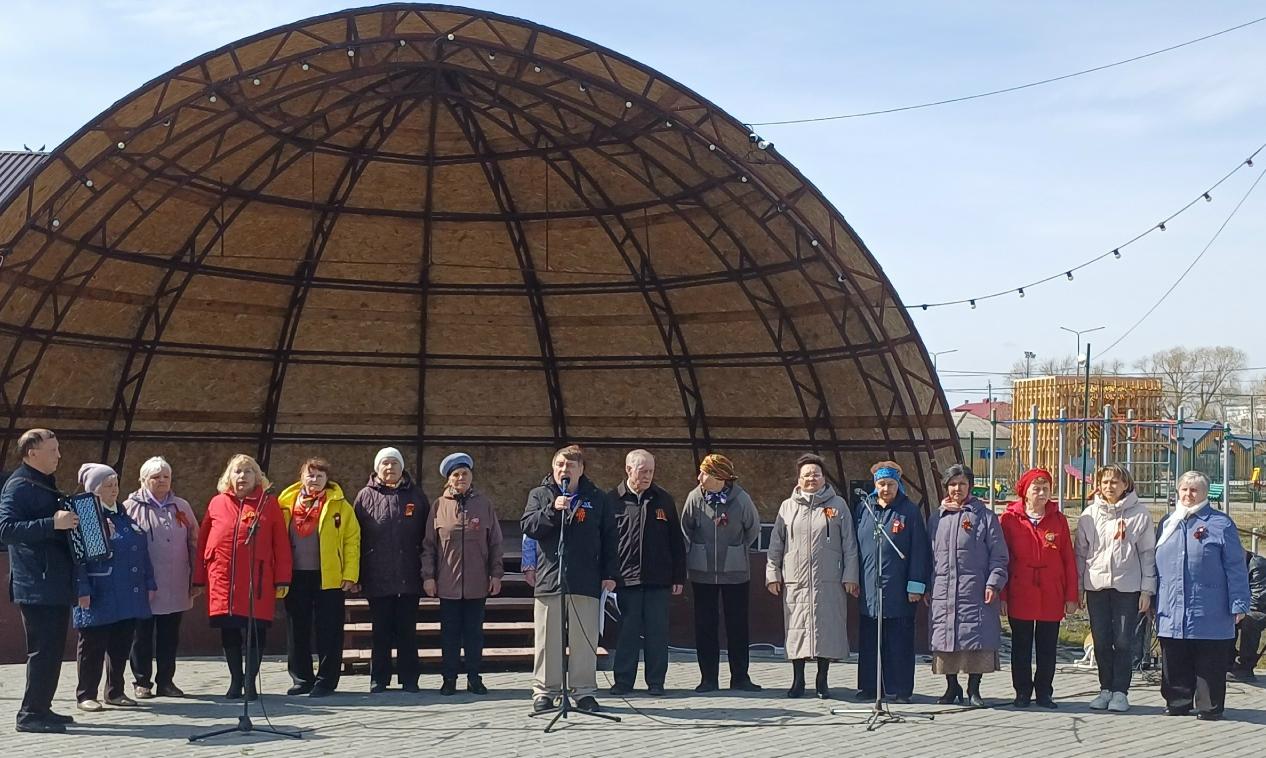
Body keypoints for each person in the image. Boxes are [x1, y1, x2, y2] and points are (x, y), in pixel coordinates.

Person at [521, 445, 618, 714]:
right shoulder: (540, 495)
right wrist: (553, 509)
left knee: (584, 640)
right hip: (550, 577)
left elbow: (610, 537)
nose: (564, 471)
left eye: (570, 466)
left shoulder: (597, 497)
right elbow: (529, 527)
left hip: (586, 578)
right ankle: (545, 691)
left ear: (581, 470)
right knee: (547, 641)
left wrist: (610, 574)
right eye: (560, 466)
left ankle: (584, 691)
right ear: (553, 469)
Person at [195, 454, 292, 701]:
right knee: (229, 631)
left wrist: (282, 578)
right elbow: (203, 541)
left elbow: (280, 543)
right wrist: (198, 577)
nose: (242, 476)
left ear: (257, 478)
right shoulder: (216, 503)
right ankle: (235, 680)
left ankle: (250, 682)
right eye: (237, 471)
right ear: (229, 477)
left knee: (255, 630)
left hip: (257, 581)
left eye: (248, 472)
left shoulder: (268, 504)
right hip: (223, 581)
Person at [1154, 471, 1251, 720]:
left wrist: (1239, 603)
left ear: (1205, 494)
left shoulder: (1221, 523)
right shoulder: (1168, 522)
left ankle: (1209, 706)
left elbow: (1235, 567)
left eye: (1194, 490)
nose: (1189, 494)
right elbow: (1154, 565)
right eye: (1185, 489)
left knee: (1210, 658)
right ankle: (1178, 701)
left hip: (1211, 606)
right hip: (1172, 604)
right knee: (1175, 654)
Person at [0, 429, 79, 733]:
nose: (59, 455)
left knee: (53, 649)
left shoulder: (46, 485)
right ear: (32, 453)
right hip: (35, 584)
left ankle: (42, 708)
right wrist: (52, 523)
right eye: (53, 450)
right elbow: (6, 530)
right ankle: (29, 715)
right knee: (42, 650)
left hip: (54, 582)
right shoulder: (18, 486)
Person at [765, 453, 860, 699]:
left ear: (823, 478)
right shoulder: (788, 506)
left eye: (816, 474)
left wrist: (851, 575)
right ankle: (798, 680)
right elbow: (776, 543)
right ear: (799, 479)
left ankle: (822, 680)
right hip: (796, 580)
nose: (811, 478)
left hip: (828, 580)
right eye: (806, 474)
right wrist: (772, 573)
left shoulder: (837, 505)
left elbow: (850, 544)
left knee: (826, 629)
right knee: (797, 630)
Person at [73, 464, 155, 712]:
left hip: (128, 592)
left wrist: (149, 581)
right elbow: (78, 558)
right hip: (100, 591)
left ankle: (115, 691)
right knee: (93, 645)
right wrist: (82, 589)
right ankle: (86, 693)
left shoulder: (122, 514)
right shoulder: (86, 515)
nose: (114, 490)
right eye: (107, 486)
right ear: (93, 490)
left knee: (120, 644)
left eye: (115, 484)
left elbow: (142, 553)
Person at [1075, 463, 1156, 713]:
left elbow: (1147, 554)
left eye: (1115, 482)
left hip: (1128, 587)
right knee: (1101, 641)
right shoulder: (1089, 514)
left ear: (1125, 485)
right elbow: (1080, 552)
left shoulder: (1140, 514)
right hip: (1097, 586)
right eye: (1105, 482)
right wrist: (1078, 586)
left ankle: (1121, 691)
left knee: (1123, 641)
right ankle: (1105, 689)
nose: (1109, 487)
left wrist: (1146, 590)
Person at [422, 452, 504, 696]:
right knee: (449, 635)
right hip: (447, 584)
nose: (460, 478)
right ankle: (449, 678)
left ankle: (474, 677)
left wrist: (496, 574)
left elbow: (496, 543)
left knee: (474, 635)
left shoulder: (484, 504)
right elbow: (428, 545)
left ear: (471, 476)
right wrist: (428, 576)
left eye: (464, 474)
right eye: (455, 475)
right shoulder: (438, 506)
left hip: (478, 583)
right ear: (448, 479)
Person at [278, 457, 360, 697]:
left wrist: (350, 574)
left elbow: (351, 541)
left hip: (329, 577)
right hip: (295, 576)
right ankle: (301, 678)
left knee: (329, 630)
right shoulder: (284, 503)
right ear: (301, 477)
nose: (314, 480)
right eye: (310, 475)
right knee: (297, 629)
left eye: (320, 476)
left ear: (327, 480)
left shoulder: (340, 506)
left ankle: (326, 680)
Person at [928, 464, 1008, 708]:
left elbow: (999, 555)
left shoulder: (985, 516)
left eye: (962, 484)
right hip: (943, 589)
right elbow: (927, 555)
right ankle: (952, 687)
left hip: (976, 590)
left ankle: (975, 689)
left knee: (977, 639)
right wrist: (927, 587)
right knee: (945, 641)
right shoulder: (937, 518)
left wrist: (994, 583)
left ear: (969, 486)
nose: (957, 489)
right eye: (952, 484)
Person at [681, 453, 762, 693]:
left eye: (704, 473)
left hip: (735, 573)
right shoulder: (694, 497)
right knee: (705, 624)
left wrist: (736, 551)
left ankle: (740, 677)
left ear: (719, 477)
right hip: (702, 573)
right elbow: (686, 528)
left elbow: (753, 528)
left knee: (737, 625)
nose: (699, 477)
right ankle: (708, 679)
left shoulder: (741, 499)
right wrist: (697, 552)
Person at [608, 449, 685, 697]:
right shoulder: (611, 500)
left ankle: (656, 682)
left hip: (658, 579)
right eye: (643, 471)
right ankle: (623, 682)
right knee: (627, 633)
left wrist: (678, 577)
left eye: (651, 471)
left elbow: (676, 541)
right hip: (624, 579)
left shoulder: (664, 500)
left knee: (657, 632)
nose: (647, 476)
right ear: (629, 470)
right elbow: (604, 542)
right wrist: (606, 575)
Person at [999, 467, 1078, 709]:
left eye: (1046, 489)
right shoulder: (1009, 519)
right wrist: (1002, 595)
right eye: (1037, 488)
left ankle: (1044, 692)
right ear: (1025, 491)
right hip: (1020, 590)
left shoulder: (1058, 519)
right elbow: (1002, 559)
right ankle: (1022, 691)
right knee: (1021, 645)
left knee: (1047, 647)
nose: (1042, 493)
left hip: (1050, 593)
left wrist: (1071, 596)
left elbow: (1068, 559)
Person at [853, 460, 931, 704]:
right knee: (869, 642)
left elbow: (919, 550)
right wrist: (854, 579)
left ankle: (900, 689)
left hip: (899, 590)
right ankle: (869, 687)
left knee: (899, 642)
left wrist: (916, 586)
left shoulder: (909, 511)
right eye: (881, 484)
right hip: (870, 589)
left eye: (890, 484)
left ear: (898, 485)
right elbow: (855, 547)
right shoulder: (865, 509)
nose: (885, 488)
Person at [124, 456, 200, 700]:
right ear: (143, 480)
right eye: (156, 477)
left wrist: (196, 577)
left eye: (166, 476)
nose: (162, 481)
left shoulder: (182, 506)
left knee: (170, 635)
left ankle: (166, 681)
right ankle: (141, 681)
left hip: (176, 582)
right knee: (141, 635)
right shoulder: (129, 507)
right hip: (142, 584)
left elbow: (194, 542)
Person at [354, 447, 428, 693]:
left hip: (409, 575)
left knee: (407, 631)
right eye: (385, 464)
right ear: (377, 468)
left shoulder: (416, 496)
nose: (390, 468)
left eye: (394, 463)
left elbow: (427, 537)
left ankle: (410, 679)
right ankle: (379, 679)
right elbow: (356, 539)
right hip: (378, 576)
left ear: (402, 467)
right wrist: (357, 575)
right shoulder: (364, 497)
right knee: (381, 631)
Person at [1229, 549, 1266, 681]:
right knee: (1223, 617)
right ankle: (1227, 662)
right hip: (1242, 607)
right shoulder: (1231, 566)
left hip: (1260, 609)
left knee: (1250, 620)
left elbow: (1258, 599)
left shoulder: (1258, 565)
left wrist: (1240, 611)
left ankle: (1245, 667)